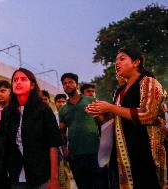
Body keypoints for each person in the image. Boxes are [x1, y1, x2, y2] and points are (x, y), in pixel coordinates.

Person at [86, 46, 167, 188]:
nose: (116, 63)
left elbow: (147, 115)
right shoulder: (119, 91)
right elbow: (119, 117)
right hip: (126, 153)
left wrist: (110, 107)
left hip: (146, 151)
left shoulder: (148, 82)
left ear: (136, 62)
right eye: (115, 60)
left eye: (122, 59)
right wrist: (100, 112)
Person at [0, 68, 62, 189]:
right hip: (15, 176)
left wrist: (54, 179)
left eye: (23, 79)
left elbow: (53, 145)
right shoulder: (7, 112)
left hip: (41, 175)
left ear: (32, 85)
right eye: (15, 80)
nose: (18, 82)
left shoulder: (43, 110)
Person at [59, 73, 109, 189]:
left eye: (70, 82)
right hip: (75, 156)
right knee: (83, 186)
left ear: (77, 84)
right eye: (64, 83)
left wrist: (105, 147)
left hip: (95, 152)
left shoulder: (90, 100)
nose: (67, 85)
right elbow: (62, 132)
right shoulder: (63, 109)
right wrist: (64, 149)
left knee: (101, 185)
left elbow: (102, 123)